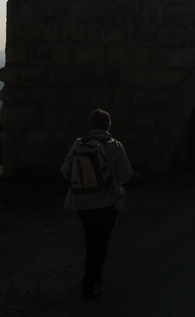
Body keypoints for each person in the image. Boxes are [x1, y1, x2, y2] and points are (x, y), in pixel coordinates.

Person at [60, 109, 135, 300]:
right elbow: (126, 176)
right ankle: (89, 285)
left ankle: (96, 275)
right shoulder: (115, 145)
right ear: (108, 125)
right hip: (106, 202)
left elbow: (65, 171)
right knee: (99, 244)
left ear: (91, 124)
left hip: (80, 202)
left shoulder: (78, 143)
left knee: (90, 240)